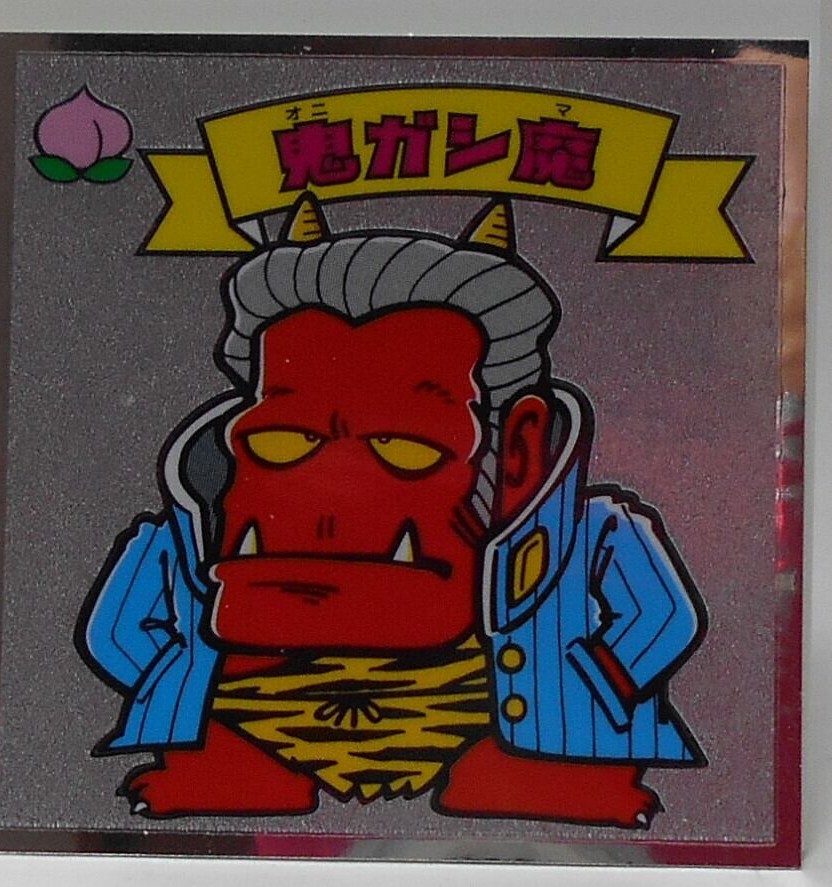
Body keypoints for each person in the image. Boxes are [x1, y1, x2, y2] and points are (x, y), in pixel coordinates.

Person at [77, 195, 705, 826]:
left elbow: (661, 616)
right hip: (250, 737)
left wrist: (594, 692)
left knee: (521, 778)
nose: (331, 495)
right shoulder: (185, 539)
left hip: (513, 751)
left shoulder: (588, 534)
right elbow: (116, 630)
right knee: (229, 771)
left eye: (404, 446)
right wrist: (178, 695)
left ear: (515, 453)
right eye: (282, 440)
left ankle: (553, 765)